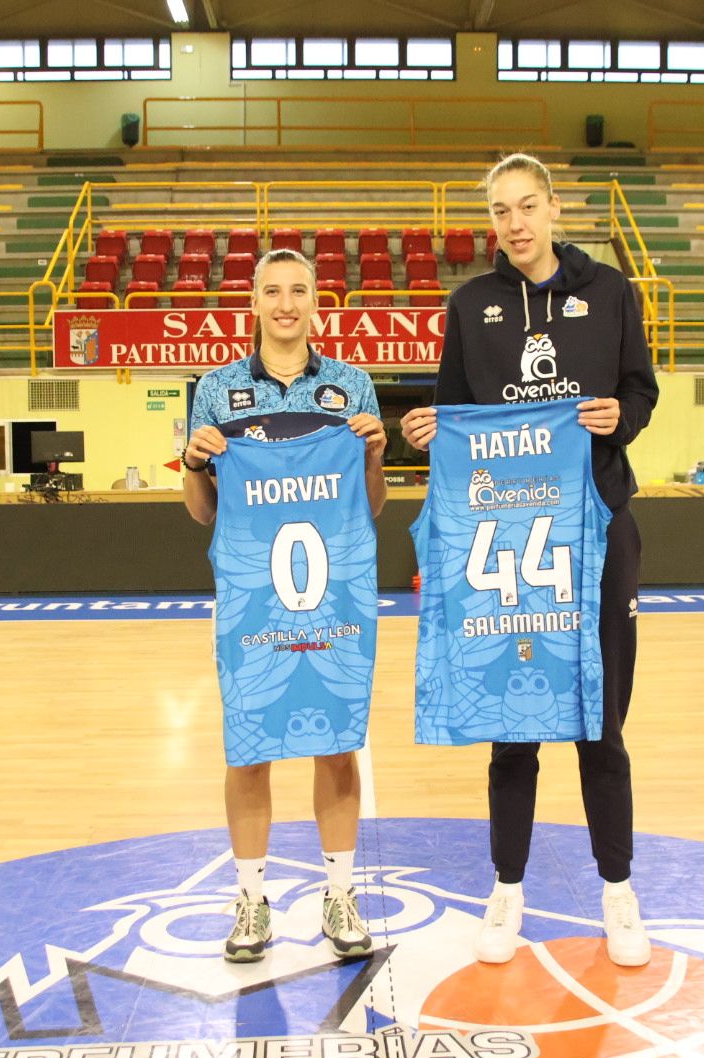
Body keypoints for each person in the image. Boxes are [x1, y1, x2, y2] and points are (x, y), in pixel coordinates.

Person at [399, 152, 659, 967]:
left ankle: (618, 894)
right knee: (511, 726)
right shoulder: (470, 303)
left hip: (597, 531)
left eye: (526, 206)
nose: (514, 223)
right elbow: (449, 409)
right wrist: (426, 432)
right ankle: (505, 891)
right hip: (501, 539)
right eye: (500, 212)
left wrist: (621, 417)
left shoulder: (610, 290)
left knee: (599, 722)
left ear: (552, 209)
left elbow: (642, 390)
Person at [182, 248, 388, 963]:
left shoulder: (352, 386)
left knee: (336, 745)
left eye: (299, 291)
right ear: (253, 303)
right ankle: (249, 899)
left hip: (334, 596)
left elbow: (373, 507)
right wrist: (193, 462)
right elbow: (202, 513)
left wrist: (371, 454)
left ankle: (340, 893)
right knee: (251, 751)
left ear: (315, 302)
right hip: (251, 602)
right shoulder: (215, 390)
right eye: (272, 291)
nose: (285, 304)